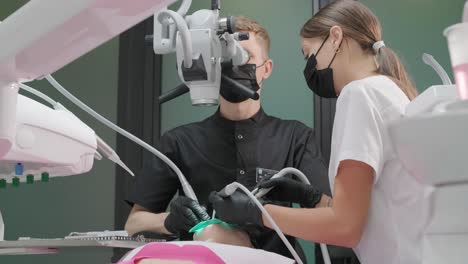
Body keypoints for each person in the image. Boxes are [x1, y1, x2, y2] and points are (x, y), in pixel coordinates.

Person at [209, 1, 432, 264]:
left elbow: (345, 228)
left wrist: (256, 212)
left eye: (309, 55)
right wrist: (311, 197)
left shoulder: (359, 94)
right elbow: (367, 212)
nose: (310, 68)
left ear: (335, 37)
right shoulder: (389, 90)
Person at [124, 16, 331, 259]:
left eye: (244, 56)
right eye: (224, 57)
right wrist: (169, 220)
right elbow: (133, 224)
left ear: (266, 68)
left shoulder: (296, 137)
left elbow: (329, 215)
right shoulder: (179, 141)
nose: (233, 65)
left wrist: (308, 196)